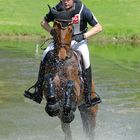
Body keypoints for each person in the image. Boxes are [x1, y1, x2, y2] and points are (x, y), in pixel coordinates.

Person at [24, 0, 102, 106]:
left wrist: (83, 36)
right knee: (45, 54)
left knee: (86, 59)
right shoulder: (57, 8)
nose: (65, 2)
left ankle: (89, 95)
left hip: (78, 41)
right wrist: (51, 31)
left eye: (68, 0)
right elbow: (43, 22)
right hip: (60, 42)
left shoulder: (82, 9)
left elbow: (98, 27)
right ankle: (38, 91)